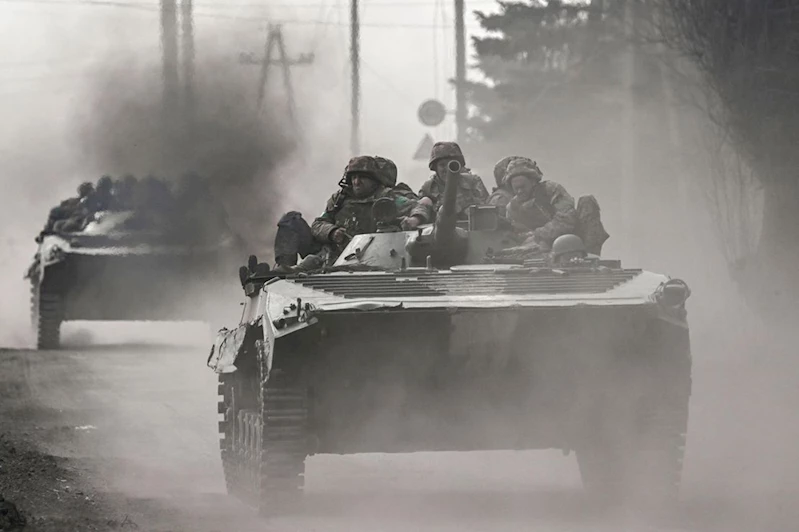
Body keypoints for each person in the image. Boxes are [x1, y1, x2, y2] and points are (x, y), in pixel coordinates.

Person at [273, 156, 431, 270]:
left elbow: (419, 206)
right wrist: (332, 232)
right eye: (354, 177)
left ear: (374, 180)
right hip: (331, 253)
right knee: (291, 220)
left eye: (363, 177)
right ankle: (285, 268)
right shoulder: (339, 199)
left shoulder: (387, 198)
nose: (357, 182)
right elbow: (319, 224)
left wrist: (414, 220)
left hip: (369, 258)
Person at [504, 157, 577, 251]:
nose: (520, 191)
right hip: (533, 251)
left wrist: (538, 234)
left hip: (570, 244)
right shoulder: (512, 208)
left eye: (523, 187)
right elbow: (515, 235)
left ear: (533, 181)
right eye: (516, 188)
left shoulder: (551, 191)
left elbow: (566, 221)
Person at [419, 141, 489, 219]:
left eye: (452, 164)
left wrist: (469, 208)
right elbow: (419, 212)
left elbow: (487, 207)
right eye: (442, 165)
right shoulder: (428, 188)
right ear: (435, 168)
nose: (447, 169)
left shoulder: (473, 182)